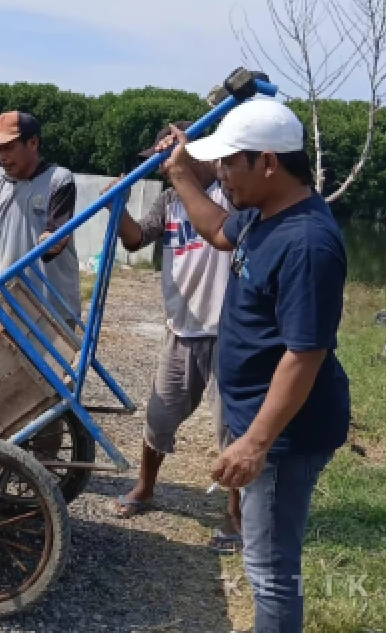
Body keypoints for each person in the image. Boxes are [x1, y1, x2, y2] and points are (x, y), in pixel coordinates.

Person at [158, 97, 351, 632]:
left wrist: (255, 442)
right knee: (264, 560)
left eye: (228, 162)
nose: (219, 173)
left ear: (268, 162)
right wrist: (181, 174)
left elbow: (304, 353)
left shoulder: (306, 242)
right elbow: (218, 230)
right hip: (263, 422)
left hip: (287, 437)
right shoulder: (267, 215)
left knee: (270, 570)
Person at [106, 121, 242, 554]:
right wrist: (117, 206)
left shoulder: (229, 195)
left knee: (233, 430)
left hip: (228, 333)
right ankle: (145, 488)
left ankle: (236, 514)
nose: (166, 167)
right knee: (159, 417)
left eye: (172, 157)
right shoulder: (168, 202)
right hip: (181, 328)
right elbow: (134, 240)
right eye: (164, 161)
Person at [0, 111, 80, 327]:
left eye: (8, 148)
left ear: (33, 143)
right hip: (12, 306)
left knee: (52, 362)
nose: (2, 157)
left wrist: (52, 242)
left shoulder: (59, 180)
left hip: (53, 308)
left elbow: (57, 236)